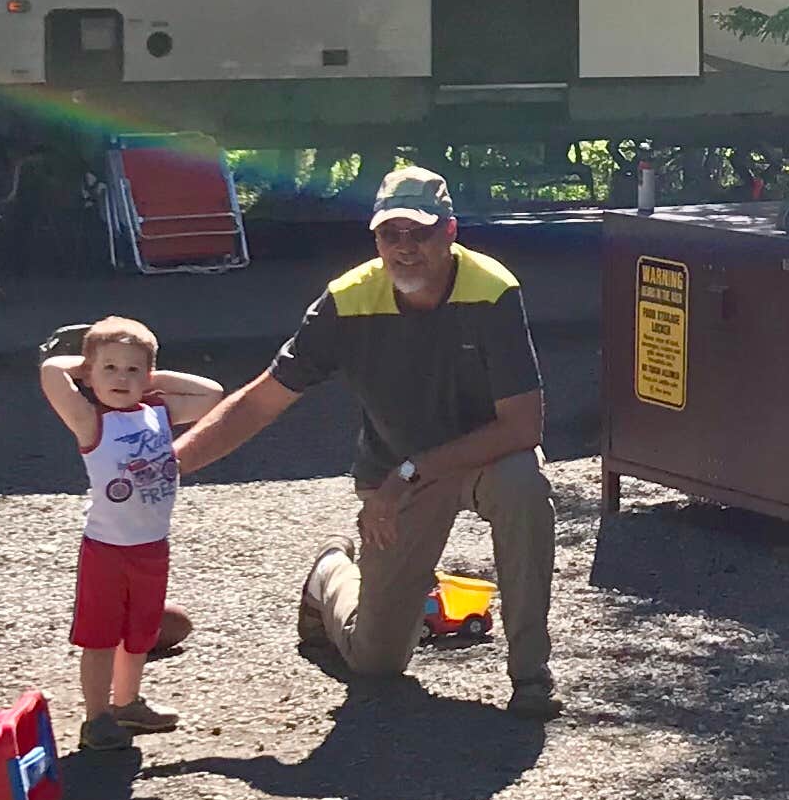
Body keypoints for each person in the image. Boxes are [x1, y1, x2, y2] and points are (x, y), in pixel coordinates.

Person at [173, 165, 562, 717]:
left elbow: (523, 428)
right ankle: (331, 572)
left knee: (524, 483)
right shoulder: (347, 301)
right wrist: (168, 465)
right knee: (375, 662)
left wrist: (408, 474)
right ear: (376, 238)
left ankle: (530, 676)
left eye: (420, 233)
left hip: (476, 460)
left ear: (449, 232)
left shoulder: (493, 291)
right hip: (395, 476)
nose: (405, 249)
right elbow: (263, 399)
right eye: (390, 235)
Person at [38, 315, 220, 746]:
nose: (122, 378)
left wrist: (150, 377)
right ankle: (97, 717)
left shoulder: (159, 411)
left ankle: (128, 703)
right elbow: (50, 374)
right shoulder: (90, 420)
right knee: (100, 635)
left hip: (152, 546)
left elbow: (212, 395)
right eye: (110, 369)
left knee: (139, 632)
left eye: (132, 369)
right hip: (107, 548)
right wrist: (82, 366)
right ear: (89, 376)